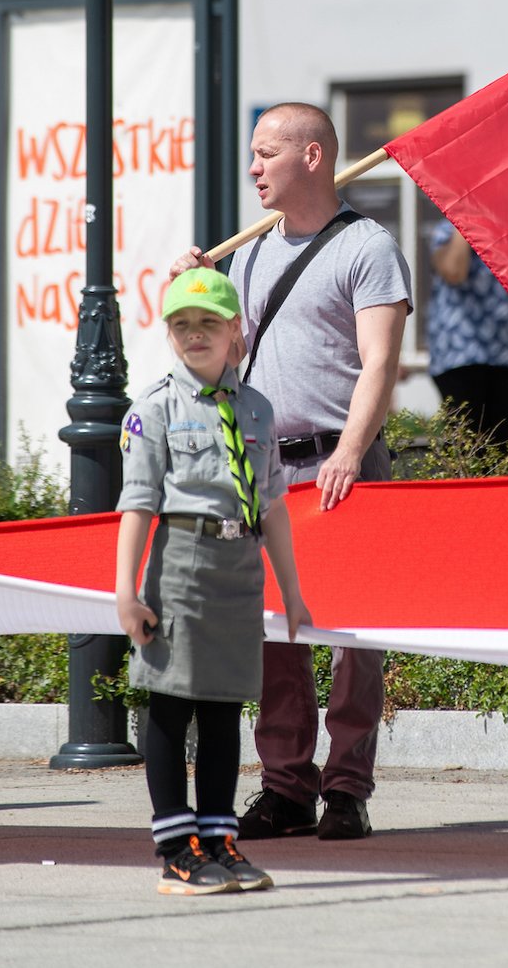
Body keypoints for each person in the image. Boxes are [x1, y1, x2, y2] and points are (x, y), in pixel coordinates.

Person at [170, 102, 412, 843]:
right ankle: (284, 785)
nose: (252, 169)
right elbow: (222, 362)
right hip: (268, 464)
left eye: (266, 154)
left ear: (313, 157)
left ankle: (346, 787)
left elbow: (381, 361)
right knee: (276, 631)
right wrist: (195, 298)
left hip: (345, 460)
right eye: (252, 154)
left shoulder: (367, 246)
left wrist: (348, 452)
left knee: (352, 638)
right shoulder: (249, 253)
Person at [115, 267, 311, 895]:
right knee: (172, 708)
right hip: (182, 565)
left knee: (226, 709)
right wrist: (127, 592)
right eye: (181, 325)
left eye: (208, 324)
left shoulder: (255, 409)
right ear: (170, 334)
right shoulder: (155, 408)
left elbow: (274, 505)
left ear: (236, 332)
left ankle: (220, 840)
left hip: (239, 568)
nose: (194, 335)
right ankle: (175, 847)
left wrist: (292, 590)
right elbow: (138, 505)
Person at [428, 219, 508, 445]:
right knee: (467, 441)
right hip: (460, 357)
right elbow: (453, 272)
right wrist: (465, 221)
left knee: (500, 443)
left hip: (507, 356)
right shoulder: (445, 232)